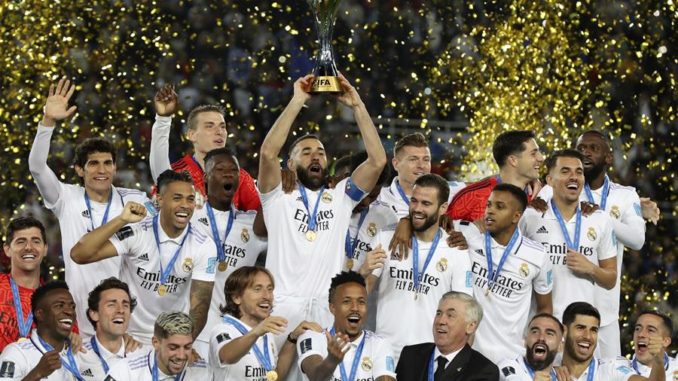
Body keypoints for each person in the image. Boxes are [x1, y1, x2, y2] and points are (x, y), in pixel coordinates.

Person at [257, 74, 387, 342]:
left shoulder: (342, 197)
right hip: (281, 308)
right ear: (290, 165)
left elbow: (377, 161)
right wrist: (297, 101)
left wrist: (358, 106)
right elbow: (268, 153)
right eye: (305, 152)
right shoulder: (276, 196)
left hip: (325, 312)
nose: (315, 155)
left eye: (320, 151)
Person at [28, 78, 150, 337]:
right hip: (77, 320)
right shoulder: (66, 197)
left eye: (108, 163)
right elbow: (37, 166)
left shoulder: (134, 200)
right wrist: (47, 122)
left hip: (124, 320)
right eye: (93, 164)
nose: (102, 170)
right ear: (79, 170)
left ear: (115, 168)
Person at [536, 130, 651, 357]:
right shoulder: (552, 189)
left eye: (593, 148)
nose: (585, 152)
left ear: (608, 157)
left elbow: (637, 240)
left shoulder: (626, 195)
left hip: (606, 311)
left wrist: (602, 215)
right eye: (581, 148)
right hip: (559, 305)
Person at [70, 170, 215, 344]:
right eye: (177, 198)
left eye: (190, 199)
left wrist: (184, 343)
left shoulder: (204, 245)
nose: (185, 205)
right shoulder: (138, 231)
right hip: (130, 337)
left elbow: (200, 305)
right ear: (160, 200)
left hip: (172, 338)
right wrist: (121, 219)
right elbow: (79, 254)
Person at [366, 174, 473, 360]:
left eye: (426, 204)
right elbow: (364, 289)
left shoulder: (456, 250)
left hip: (427, 358)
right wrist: (363, 270)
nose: (417, 208)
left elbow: (464, 313)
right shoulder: (386, 238)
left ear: (443, 208)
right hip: (384, 353)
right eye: (414, 201)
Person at [457, 183, 553, 363]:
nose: (490, 211)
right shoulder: (469, 240)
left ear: (516, 216)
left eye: (499, 207)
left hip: (513, 357)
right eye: (489, 205)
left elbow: (545, 308)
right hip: (469, 354)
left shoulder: (537, 255)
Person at [519, 150, 617, 321]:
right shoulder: (530, 217)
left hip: (580, 325)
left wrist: (591, 268)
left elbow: (611, 280)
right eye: (565, 171)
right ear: (549, 180)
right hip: (539, 323)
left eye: (579, 172)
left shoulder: (600, 219)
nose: (574, 177)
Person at [191, 148, 267, 358]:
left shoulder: (253, 224)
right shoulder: (190, 216)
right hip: (192, 336)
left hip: (236, 335)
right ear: (206, 177)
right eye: (220, 169)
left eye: (233, 170)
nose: (228, 174)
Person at [150, 84, 260, 210]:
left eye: (222, 126)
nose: (219, 131)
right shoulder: (177, 173)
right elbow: (160, 176)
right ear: (192, 135)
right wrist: (163, 120)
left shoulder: (240, 177)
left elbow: (262, 217)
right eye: (209, 126)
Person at [209, 266, 320, 380]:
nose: (267, 296)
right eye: (257, 289)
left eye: (270, 289)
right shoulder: (223, 330)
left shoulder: (266, 333)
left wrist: (292, 338)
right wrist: (257, 332)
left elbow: (275, 377)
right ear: (237, 297)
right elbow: (227, 356)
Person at [297, 271, 396, 381]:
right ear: (332, 307)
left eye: (361, 302)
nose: (355, 308)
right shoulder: (313, 337)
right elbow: (315, 377)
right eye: (347, 301)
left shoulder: (380, 344)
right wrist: (331, 361)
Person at [396, 291, 498, 381]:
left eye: (450, 315)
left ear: (470, 326)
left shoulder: (484, 371)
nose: (440, 321)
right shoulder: (410, 355)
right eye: (439, 313)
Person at [446, 130, 544, 222]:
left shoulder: (543, 196)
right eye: (533, 154)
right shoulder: (471, 198)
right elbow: (444, 235)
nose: (541, 158)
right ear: (513, 160)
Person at [554, 302, 664, 381]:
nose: (587, 336)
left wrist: (658, 361)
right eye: (580, 328)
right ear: (564, 331)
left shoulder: (612, 368)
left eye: (593, 330)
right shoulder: (548, 369)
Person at [0, 281, 81, 380]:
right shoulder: (16, 353)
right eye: (59, 306)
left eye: (72, 307)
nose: (70, 311)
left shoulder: (80, 352)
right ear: (40, 314)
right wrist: (37, 373)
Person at [378, 133, 465, 218]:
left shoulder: (449, 191)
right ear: (396, 164)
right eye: (413, 159)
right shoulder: (379, 198)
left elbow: (477, 187)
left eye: (426, 160)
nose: (421, 166)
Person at [76, 278, 148, 380]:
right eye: (111, 305)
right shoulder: (78, 354)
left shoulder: (144, 356)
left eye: (125, 305)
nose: (121, 310)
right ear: (94, 314)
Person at [104, 311, 211, 379]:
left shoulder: (203, 373)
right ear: (156, 343)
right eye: (173, 347)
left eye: (187, 347)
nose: (181, 356)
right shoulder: (127, 371)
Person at [0, 217, 48, 351]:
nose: (28, 247)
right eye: (21, 242)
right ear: (7, 249)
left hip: (40, 370)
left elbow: (72, 342)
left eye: (36, 241)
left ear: (45, 249)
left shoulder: (56, 299)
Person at [497, 313, 563, 381]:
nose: (541, 337)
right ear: (525, 341)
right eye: (535, 332)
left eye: (549, 333)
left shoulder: (563, 377)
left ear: (560, 346)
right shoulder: (509, 366)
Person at [612, 311, 677, 378]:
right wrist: (658, 361)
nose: (641, 334)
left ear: (666, 341)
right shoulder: (616, 366)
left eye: (650, 330)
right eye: (637, 329)